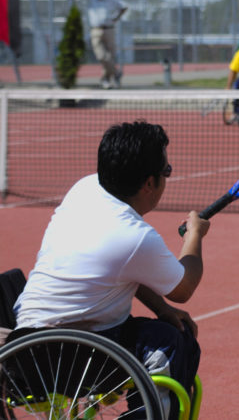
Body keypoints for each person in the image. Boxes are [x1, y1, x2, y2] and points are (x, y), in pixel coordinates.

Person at [13, 121, 210, 419]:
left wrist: (161, 308)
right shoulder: (134, 235)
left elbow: (120, 267)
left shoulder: (85, 188)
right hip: (73, 355)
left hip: (26, 347)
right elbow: (185, 287)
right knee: (173, 341)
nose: (167, 178)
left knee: (164, 324)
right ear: (149, 183)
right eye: (166, 171)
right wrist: (194, 234)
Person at [77, 0, 127, 89]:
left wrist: (116, 18)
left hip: (109, 29)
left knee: (110, 56)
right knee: (101, 56)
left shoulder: (111, 0)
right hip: (96, 30)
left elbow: (123, 8)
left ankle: (106, 79)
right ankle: (116, 73)